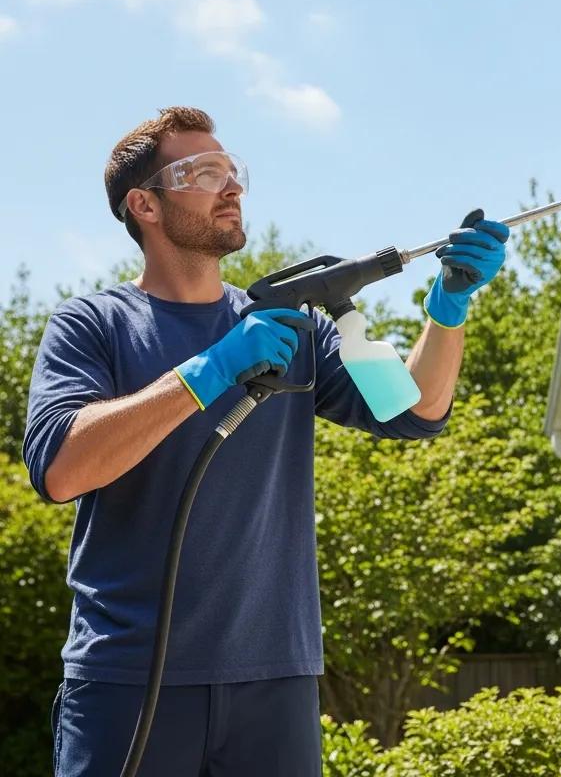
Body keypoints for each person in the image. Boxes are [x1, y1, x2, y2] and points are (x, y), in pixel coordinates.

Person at [22, 106, 509, 777]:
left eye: (234, 171)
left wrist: (447, 308)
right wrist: (211, 369)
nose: (232, 187)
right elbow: (63, 470)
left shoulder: (290, 329)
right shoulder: (94, 325)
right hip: (127, 679)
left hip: (275, 678)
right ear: (145, 205)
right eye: (202, 172)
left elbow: (415, 408)